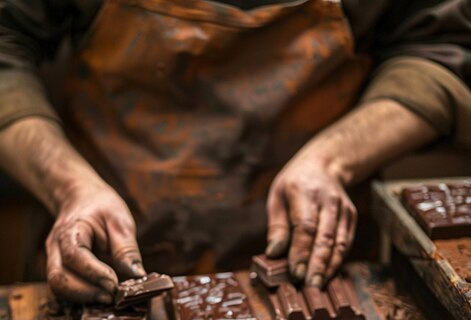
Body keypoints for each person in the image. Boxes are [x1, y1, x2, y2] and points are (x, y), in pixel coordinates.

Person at [0, 0, 469, 304]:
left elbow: (438, 50)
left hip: (316, 271)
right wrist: (68, 185)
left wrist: (334, 159)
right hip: (99, 245)